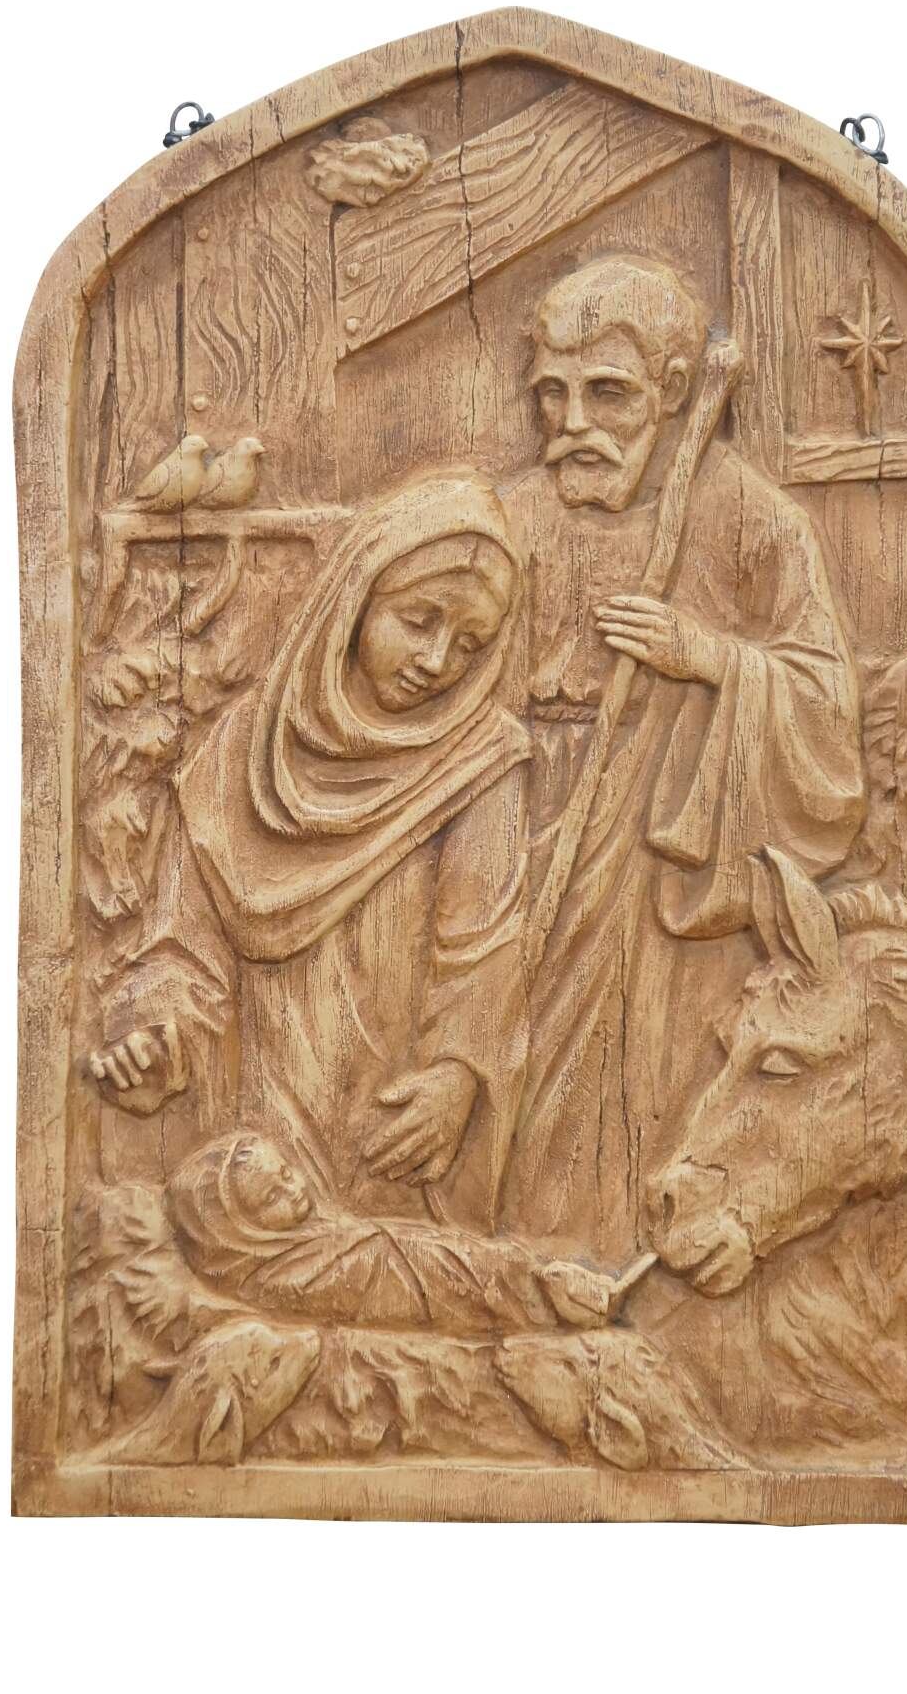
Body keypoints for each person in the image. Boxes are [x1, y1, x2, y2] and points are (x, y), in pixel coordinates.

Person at [500, 256, 867, 1262]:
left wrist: (706, 657)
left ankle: (608, 1259)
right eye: (552, 394)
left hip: (662, 851)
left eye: (607, 392)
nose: (573, 422)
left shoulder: (750, 515)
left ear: (671, 390)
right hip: (512, 838)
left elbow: (824, 703)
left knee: (632, 1081)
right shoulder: (513, 515)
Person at [91, 473, 532, 1234]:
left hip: (396, 1127)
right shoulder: (241, 747)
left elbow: (484, 952)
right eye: (417, 619)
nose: (436, 660)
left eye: (469, 644)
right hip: (258, 1129)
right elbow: (181, 949)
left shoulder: (483, 760)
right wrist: (156, 1038)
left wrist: (457, 1078)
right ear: (354, 600)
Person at [166, 1131, 622, 1336]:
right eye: (272, 1198)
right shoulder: (290, 1278)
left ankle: (555, 1287)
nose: (295, 1189)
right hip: (458, 1287)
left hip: (465, 1268)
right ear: (243, 1236)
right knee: (529, 1283)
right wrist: (526, 1285)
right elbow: (414, 1281)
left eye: (286, 1173)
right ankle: (556, 1296)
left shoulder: (309, 1239)